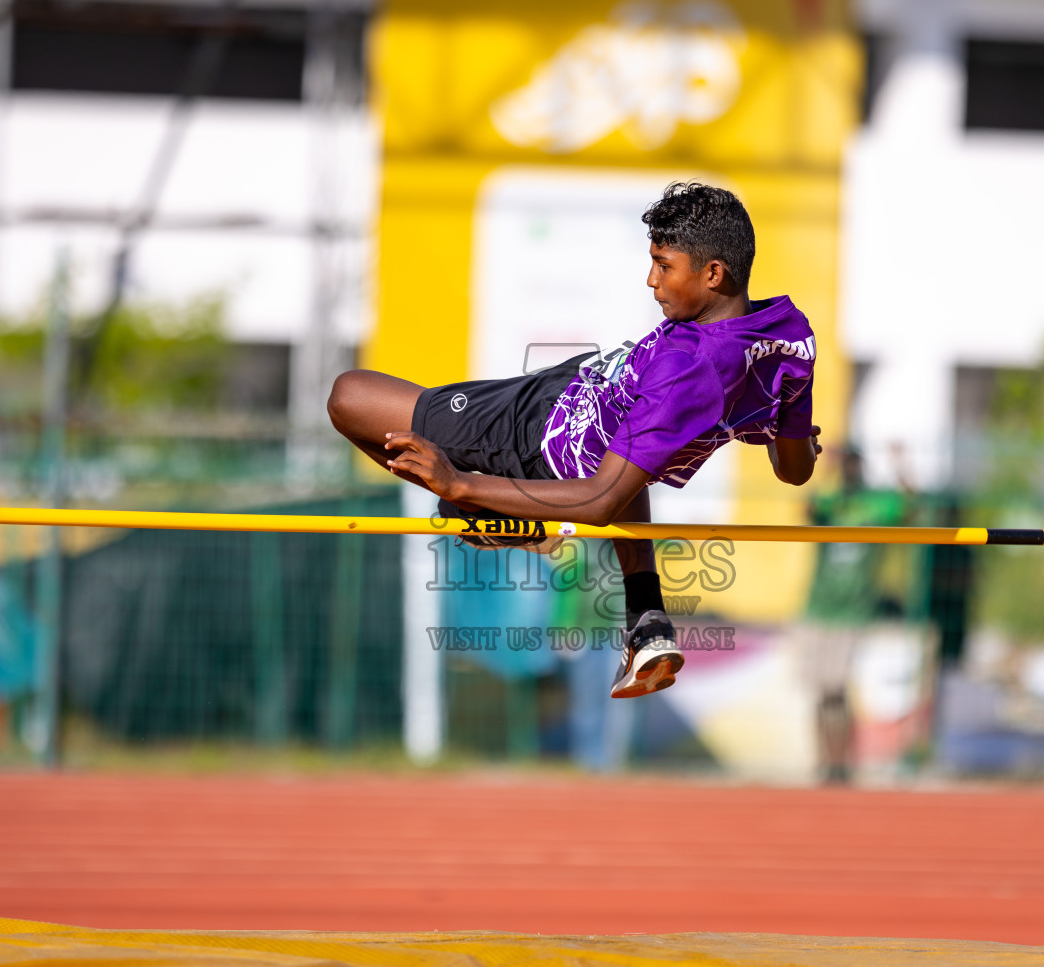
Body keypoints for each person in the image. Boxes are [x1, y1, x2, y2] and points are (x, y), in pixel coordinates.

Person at [327, 182, 822, 698]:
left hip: (533, 430)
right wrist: (798, 438)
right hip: (573, 400)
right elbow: (794, 467)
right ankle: (645, 619)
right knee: (631, 452)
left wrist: (459, 484)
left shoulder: (685, 371)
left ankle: (512, 522)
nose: (651, 281)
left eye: (663, 265)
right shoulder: (787, 334)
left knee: (349, 396)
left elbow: (601, 499)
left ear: (714, 273)